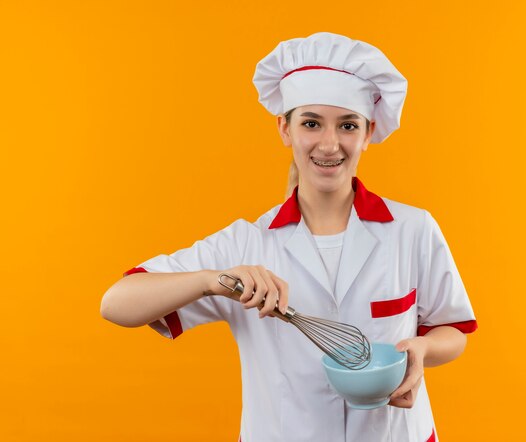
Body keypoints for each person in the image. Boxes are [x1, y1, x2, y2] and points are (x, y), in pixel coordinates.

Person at [101, 31, 477, 442]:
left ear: (368, 133)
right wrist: (214, 281)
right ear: (285, 128)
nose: (329, 144)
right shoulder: (246, 244)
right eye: (311, 123)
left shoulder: (412, 229)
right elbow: (116, 303)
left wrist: (421, 351)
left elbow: (452, 330)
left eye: (347, 125)